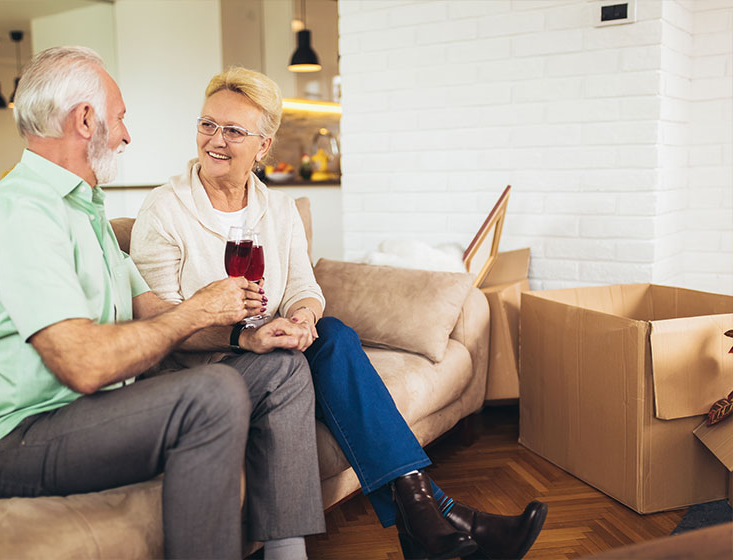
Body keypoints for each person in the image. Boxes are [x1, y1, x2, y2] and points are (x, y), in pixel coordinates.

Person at [130, 66, 548, 560]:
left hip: (274, 347)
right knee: (294, 360)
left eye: (234, 131)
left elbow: (305, 287)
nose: (215, 140)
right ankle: (443, 519)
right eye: (208, 125)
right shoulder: (164, 210)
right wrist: (241, 337)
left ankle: (428, 521)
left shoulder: (277, 210)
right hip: (207, 368)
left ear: (263, 147)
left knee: (333, 334)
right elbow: (160, 324)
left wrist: (304, 317)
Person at [0, 48, 325, 560]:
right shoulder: (20, 213)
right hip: (21, 439)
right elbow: (83, 364)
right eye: (121, 117)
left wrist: (243, 334)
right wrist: (202, 307)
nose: (126, 136)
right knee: (213, 391)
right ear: (86, 119)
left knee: (282, 369)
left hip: (101, 412)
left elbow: (151, 309)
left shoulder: (84, 211)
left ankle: (288, 555)